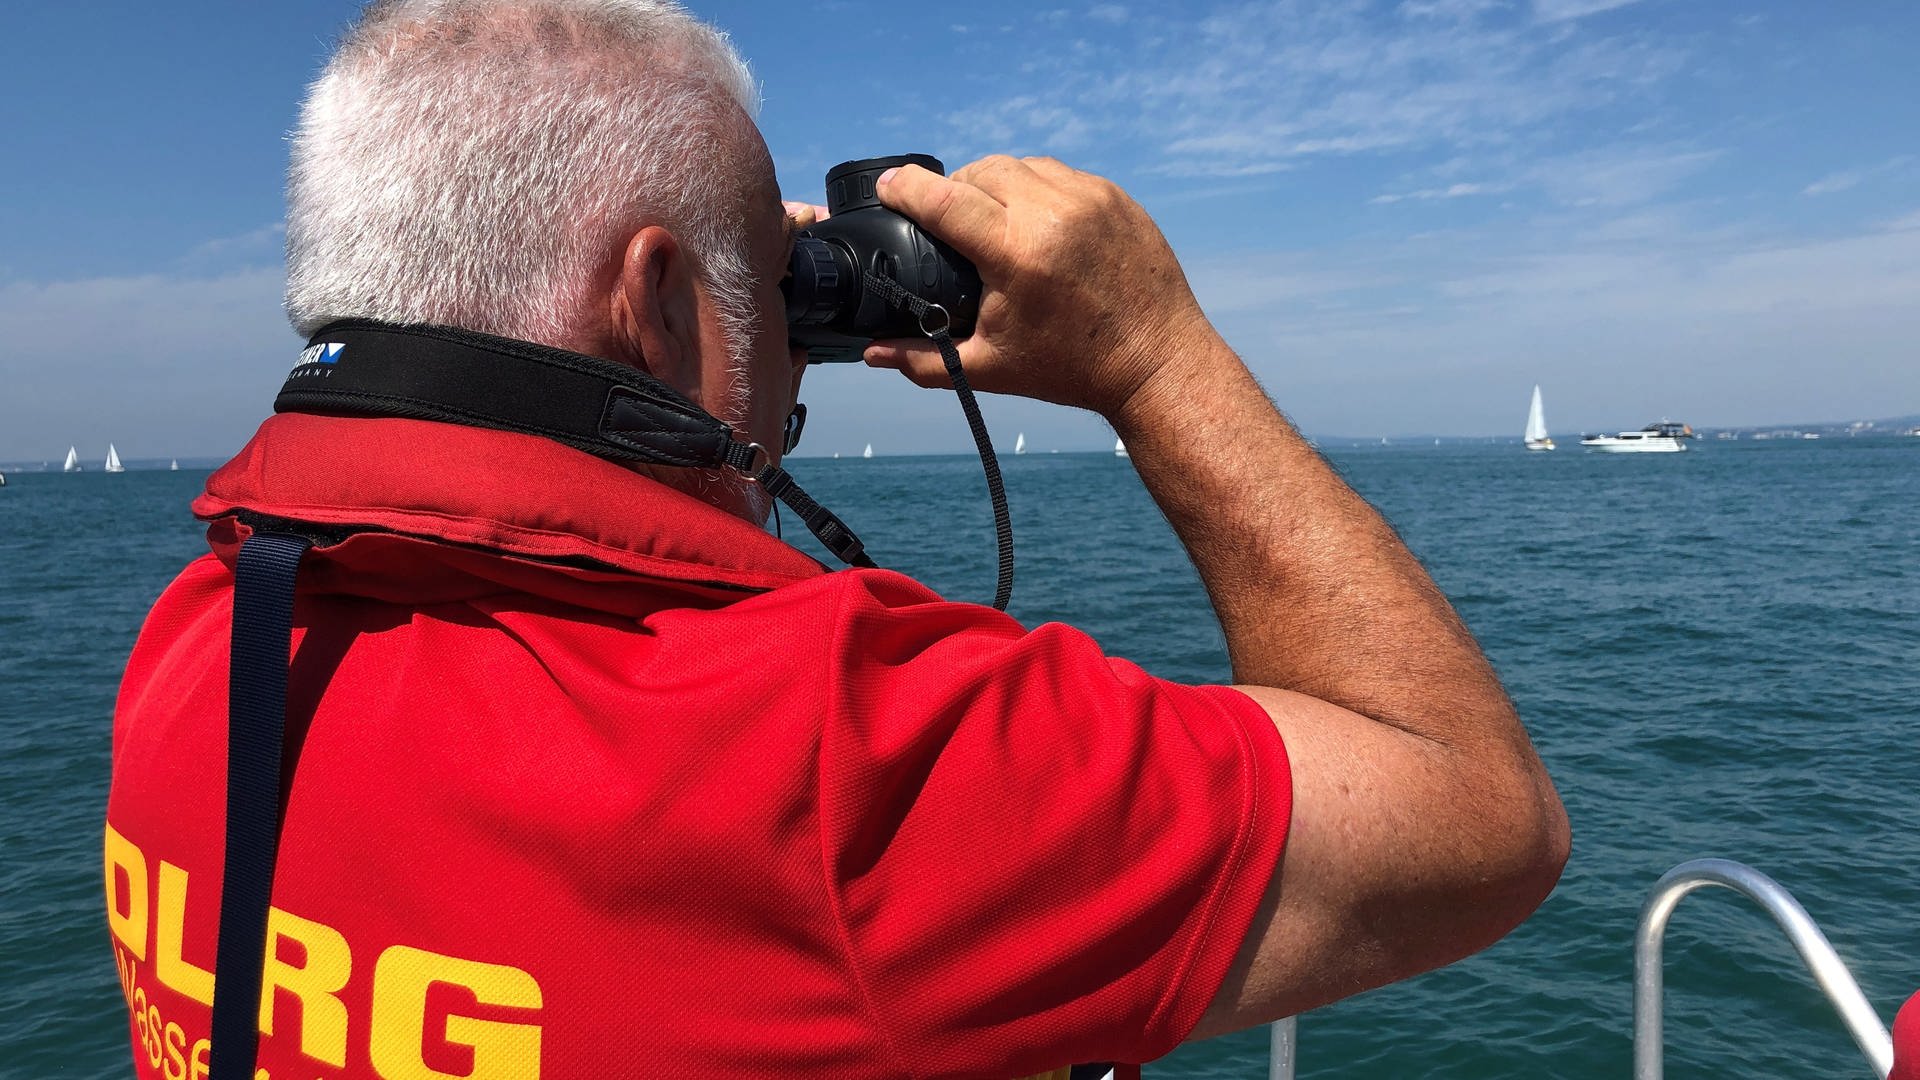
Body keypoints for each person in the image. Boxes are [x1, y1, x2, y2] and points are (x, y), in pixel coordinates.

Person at [103, 2, 1568, 1078]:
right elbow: (1477, 823)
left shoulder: (201, 637)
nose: (793, 348)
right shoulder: (833, 761)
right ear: (660, 303)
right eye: (771, 286)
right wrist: (1152, 355)